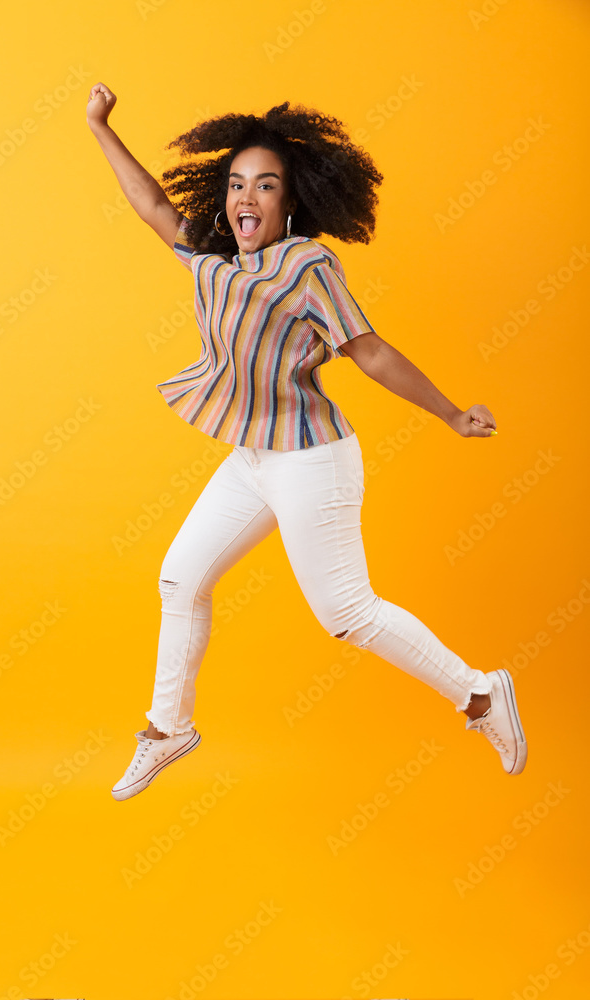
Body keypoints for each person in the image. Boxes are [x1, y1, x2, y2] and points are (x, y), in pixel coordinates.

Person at [86, 83, 527, 801]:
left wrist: (449, 414)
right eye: (235, 185)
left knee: (346, 614)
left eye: (265, 185)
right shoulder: (209, 252)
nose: (245, 198)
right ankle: (168, 730)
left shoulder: (305, 265)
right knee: (180, 577)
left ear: (290, 200)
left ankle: (480, 695)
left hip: (311, 460)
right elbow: (153, 208)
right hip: (254, 456)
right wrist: (99, 127)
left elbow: (369, 350)